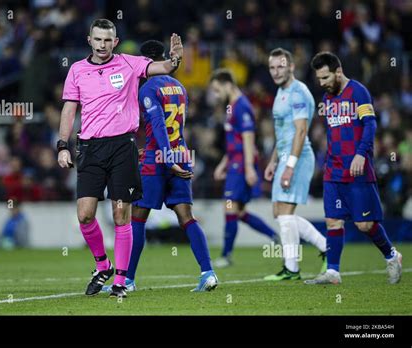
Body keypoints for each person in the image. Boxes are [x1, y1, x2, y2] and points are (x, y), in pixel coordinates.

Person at [57, 19, 183, 298]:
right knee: (85, 214)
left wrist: (175, 59)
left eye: (107, 40)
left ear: (115, 42)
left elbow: (162, 68)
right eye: (97, 39)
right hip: (89, 147)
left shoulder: (129, 63)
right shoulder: (77, 70)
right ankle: (103, 265)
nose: (102, 45)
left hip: (122, 147)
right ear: (89, 39)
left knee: (120, 214)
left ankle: (121, 281)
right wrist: (62, 145)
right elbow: (68, 110)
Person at [103, 40, 218, 293]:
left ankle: (128, 280)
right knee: (186, 216)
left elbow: (157, 124)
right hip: (181, 153)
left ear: (145, 64)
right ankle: (208, 272)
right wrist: (174, 157)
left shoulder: (147, 89)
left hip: (159, 160)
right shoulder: (179, 87)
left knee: (138, 217)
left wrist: (164, 157)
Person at [305, 52, 402, 285]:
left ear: (338, 72)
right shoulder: (327, 99)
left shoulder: (358, 92)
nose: (322, 83)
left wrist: (361, 154)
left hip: (358, 169)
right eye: (319, 79)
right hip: (334, 170)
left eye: (326, 77)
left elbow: (370, 124)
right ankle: (333, 272)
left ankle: (392, 256)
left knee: (364, 224)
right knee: (333, 221)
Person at [263, 48, 327, 281]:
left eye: (280, 66)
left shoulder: (298, 92)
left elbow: (301, 132)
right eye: (272, 67)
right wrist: (273, 161)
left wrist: (289, 165)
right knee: (280, 213)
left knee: (285, 214)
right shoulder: (281, 92)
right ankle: (295, 265)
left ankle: (317, 253)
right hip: (285, 156)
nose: (276, 71)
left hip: (298, 158)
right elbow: (283, 133)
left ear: (291, 67)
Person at [210, 68, 277, 268]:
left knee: (229, 206)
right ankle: (274, 236)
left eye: (217, 89)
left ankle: (226, 255)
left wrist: (248, 168)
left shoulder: (242, 106)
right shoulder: (231, 107)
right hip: (234, 162)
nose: (216, 94)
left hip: (241, 164)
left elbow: (248, 138)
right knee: (238, 211)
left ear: (228, 85)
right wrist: (223, 163)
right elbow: (234, 139)